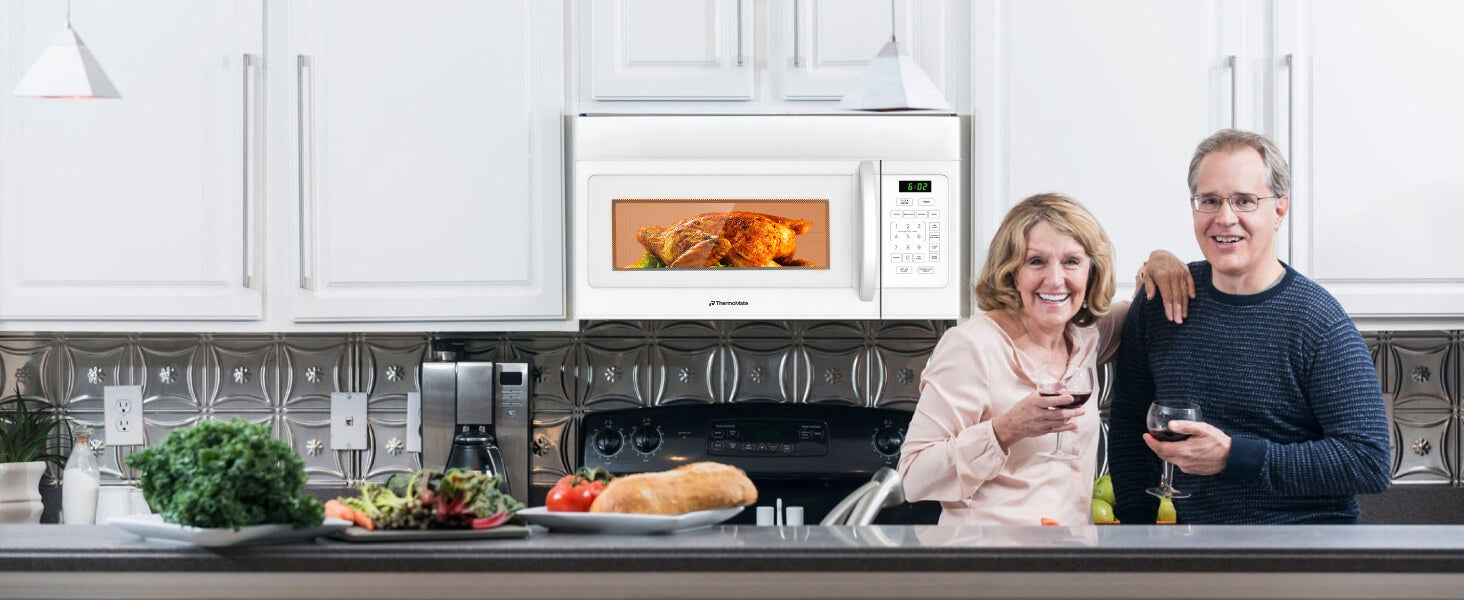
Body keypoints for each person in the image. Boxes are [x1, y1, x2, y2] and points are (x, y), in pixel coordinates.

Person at [1110, 129, 1391, 525]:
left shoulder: (1317, 321)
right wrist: (1136, 537)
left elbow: (1369, 461)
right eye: (1209, 200)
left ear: (1279, 210)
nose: (1225, 218)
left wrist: (1232, 456)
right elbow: (1127, 426)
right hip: (1200, 554)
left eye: (1245, 200)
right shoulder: (1161, 303)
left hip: (1306, 554)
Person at [897, 193, 1189, 526]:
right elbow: (913, 476)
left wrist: (1158, 258)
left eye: (1071, 262)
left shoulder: (1086, 335)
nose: (1055, 279)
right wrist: (1005, 430)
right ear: (1011, 272)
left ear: (1092, 272)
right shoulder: (972, 347)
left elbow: (1143, 304)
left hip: (1068, 560)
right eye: (1036, 261)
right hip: (988, 560)